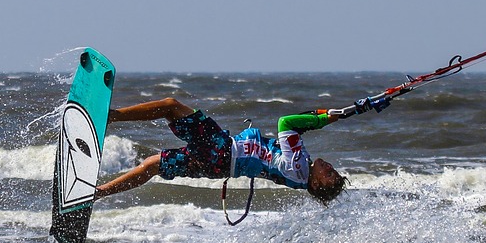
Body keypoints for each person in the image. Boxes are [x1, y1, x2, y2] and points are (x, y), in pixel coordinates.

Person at [93, 97, 352, 203]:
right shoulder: (299, 177)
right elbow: (297, 129)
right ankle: (98, 193)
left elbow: (287, 123)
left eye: (329, 175)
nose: (330, 168)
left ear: (316, 184)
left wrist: (326, 118)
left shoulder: (299, 165)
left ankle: (110, 117)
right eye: (333, 171)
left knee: (171, 106)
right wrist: (326, 114)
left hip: (223, 150)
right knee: (152, 165)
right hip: (217, 167)